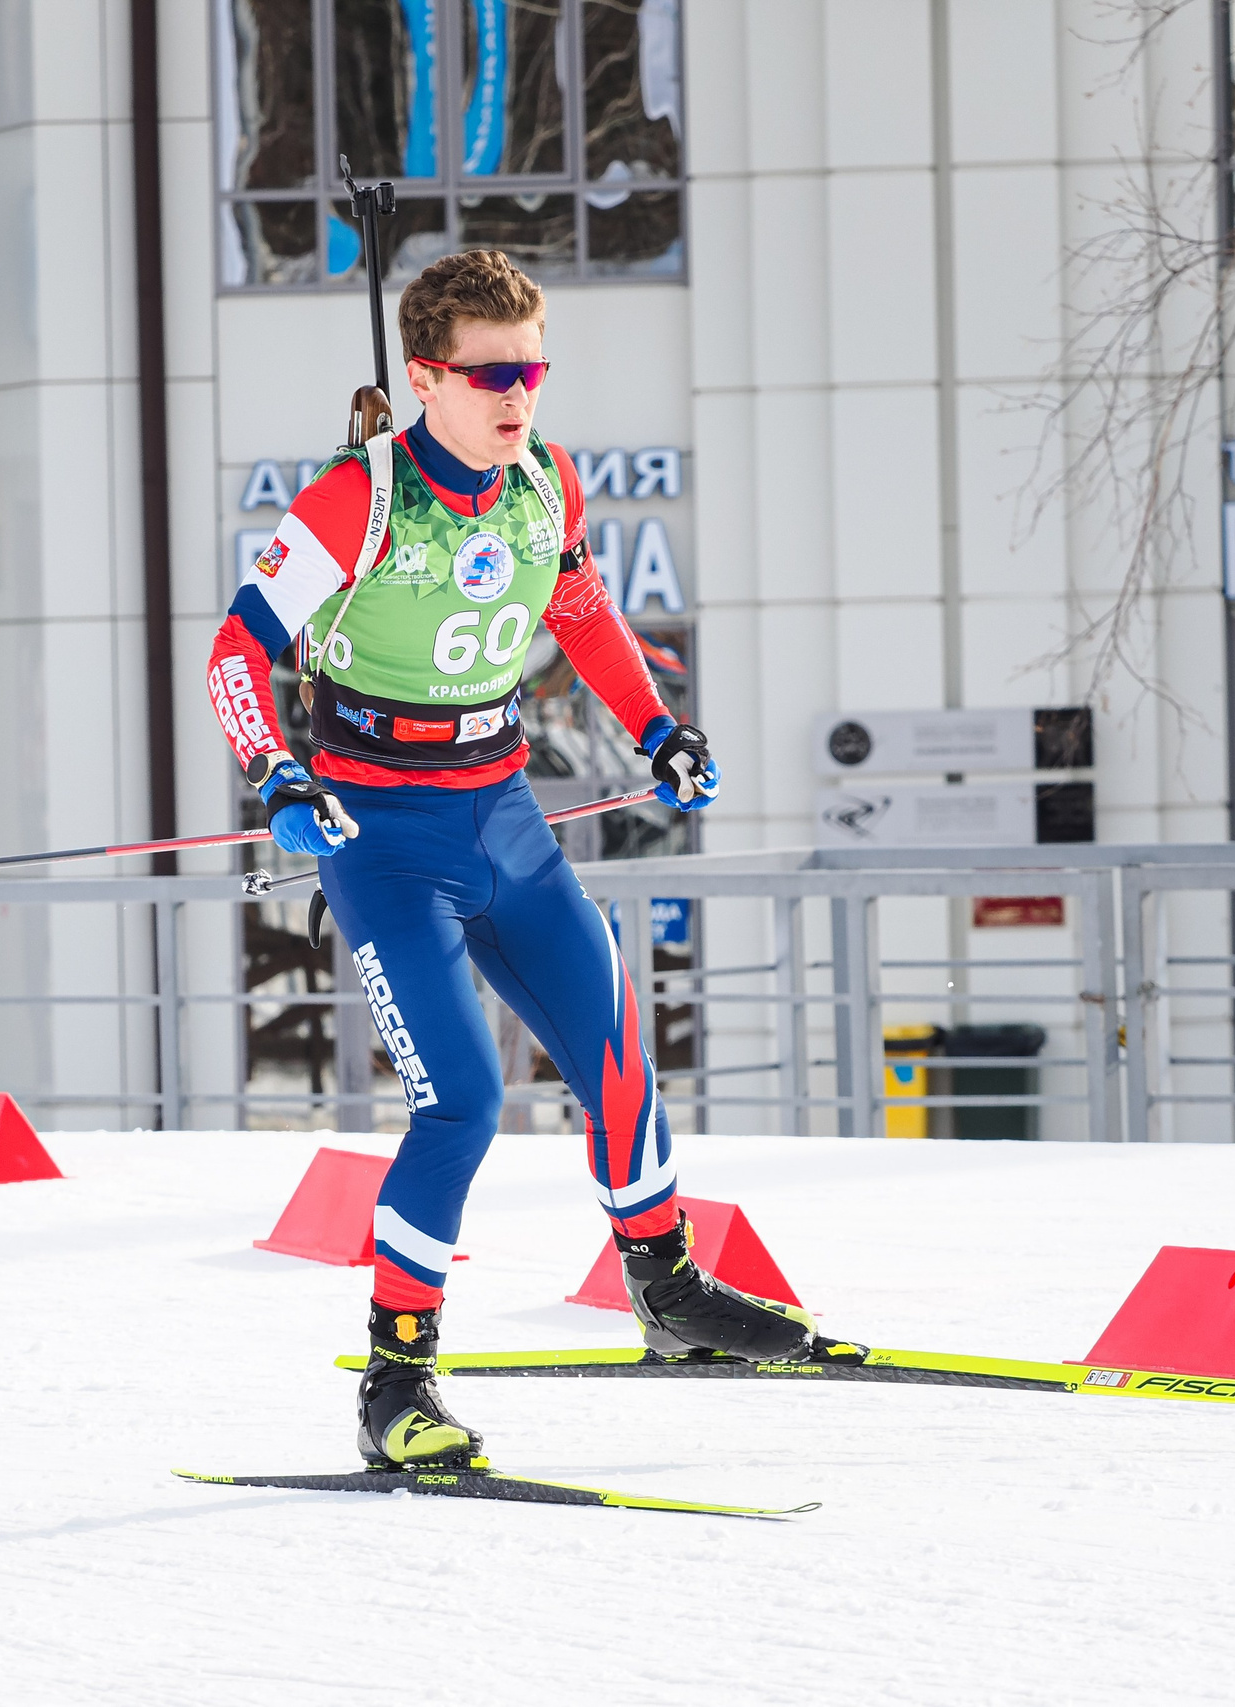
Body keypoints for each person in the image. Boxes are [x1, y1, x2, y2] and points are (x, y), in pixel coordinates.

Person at [206, 249, 867, 1472]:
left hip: (503, 813)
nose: (520, 394)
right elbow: (235, 655)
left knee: (617, 1055)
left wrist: (659, 730)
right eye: (494, 372)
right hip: (382, 838)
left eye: (535, 368)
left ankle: (667, 1295)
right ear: (426, 379)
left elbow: (578, 613)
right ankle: (396, 1383)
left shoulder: (544, 480)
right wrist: (279, 778)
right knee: (459, 1099)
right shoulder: (358, 498)